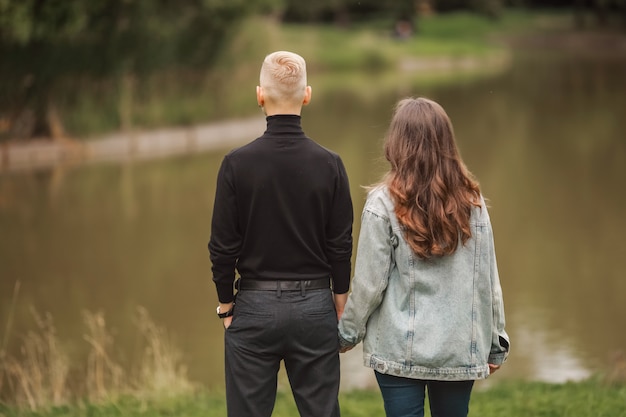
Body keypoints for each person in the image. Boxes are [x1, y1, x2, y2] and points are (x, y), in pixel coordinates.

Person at [338, 97, 510, 417]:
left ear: (396, 143)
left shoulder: (382, 203)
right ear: (447, 142)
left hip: (398, 350)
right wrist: (496, 343)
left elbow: (368, 285)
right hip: (458, 348)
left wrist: (347, 333)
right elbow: (488, 280)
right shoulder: (472, 202)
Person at [208, 51, 353, 417]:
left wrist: (226, 304)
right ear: (307, 95)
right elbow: (340, 244)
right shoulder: (330, 164)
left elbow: (223, 247)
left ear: (259, 95)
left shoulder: (235, 164)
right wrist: (340, 301)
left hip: (254, 307)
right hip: (315, 306)